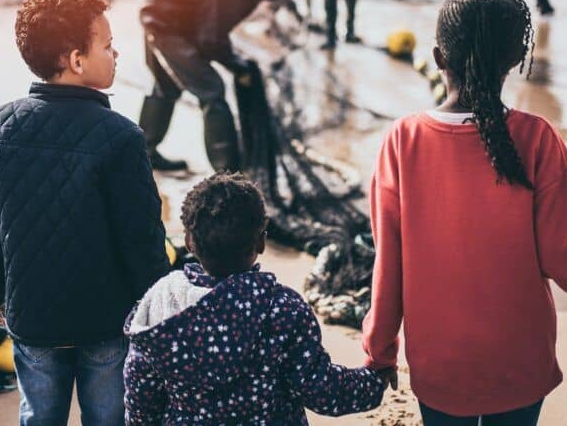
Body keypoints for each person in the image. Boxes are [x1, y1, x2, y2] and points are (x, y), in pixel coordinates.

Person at [362, 0, 567, 425]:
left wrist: (380, 350)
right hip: (520, 360)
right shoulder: (538, 138)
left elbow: (388, 267)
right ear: (512, 63)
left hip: (439, 363)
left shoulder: (402, 140)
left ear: (437, 57)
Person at [0, 0, 170, 426]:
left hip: (32, 313)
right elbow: (141, 237)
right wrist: (156, 307)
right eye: (108, 45)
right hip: (104, 320)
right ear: (77, 60)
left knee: (40, 415)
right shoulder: (121, 136)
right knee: (108, 417)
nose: (116, 54)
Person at [124, 173, 396, 424]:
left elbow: (141, 395)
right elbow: (320, 389)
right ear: (261, 242)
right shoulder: (282, 309)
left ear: (190, 242)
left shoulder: (160, 306)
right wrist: (373, 381)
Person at [138, 0, 325, 173]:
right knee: (211, 90)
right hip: (165, 19)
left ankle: (143, 155)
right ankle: (227, 176)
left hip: (161, 4)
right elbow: (210, 37)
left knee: (166, 86)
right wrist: (236, 64)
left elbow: (209, 23)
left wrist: (233, 59)